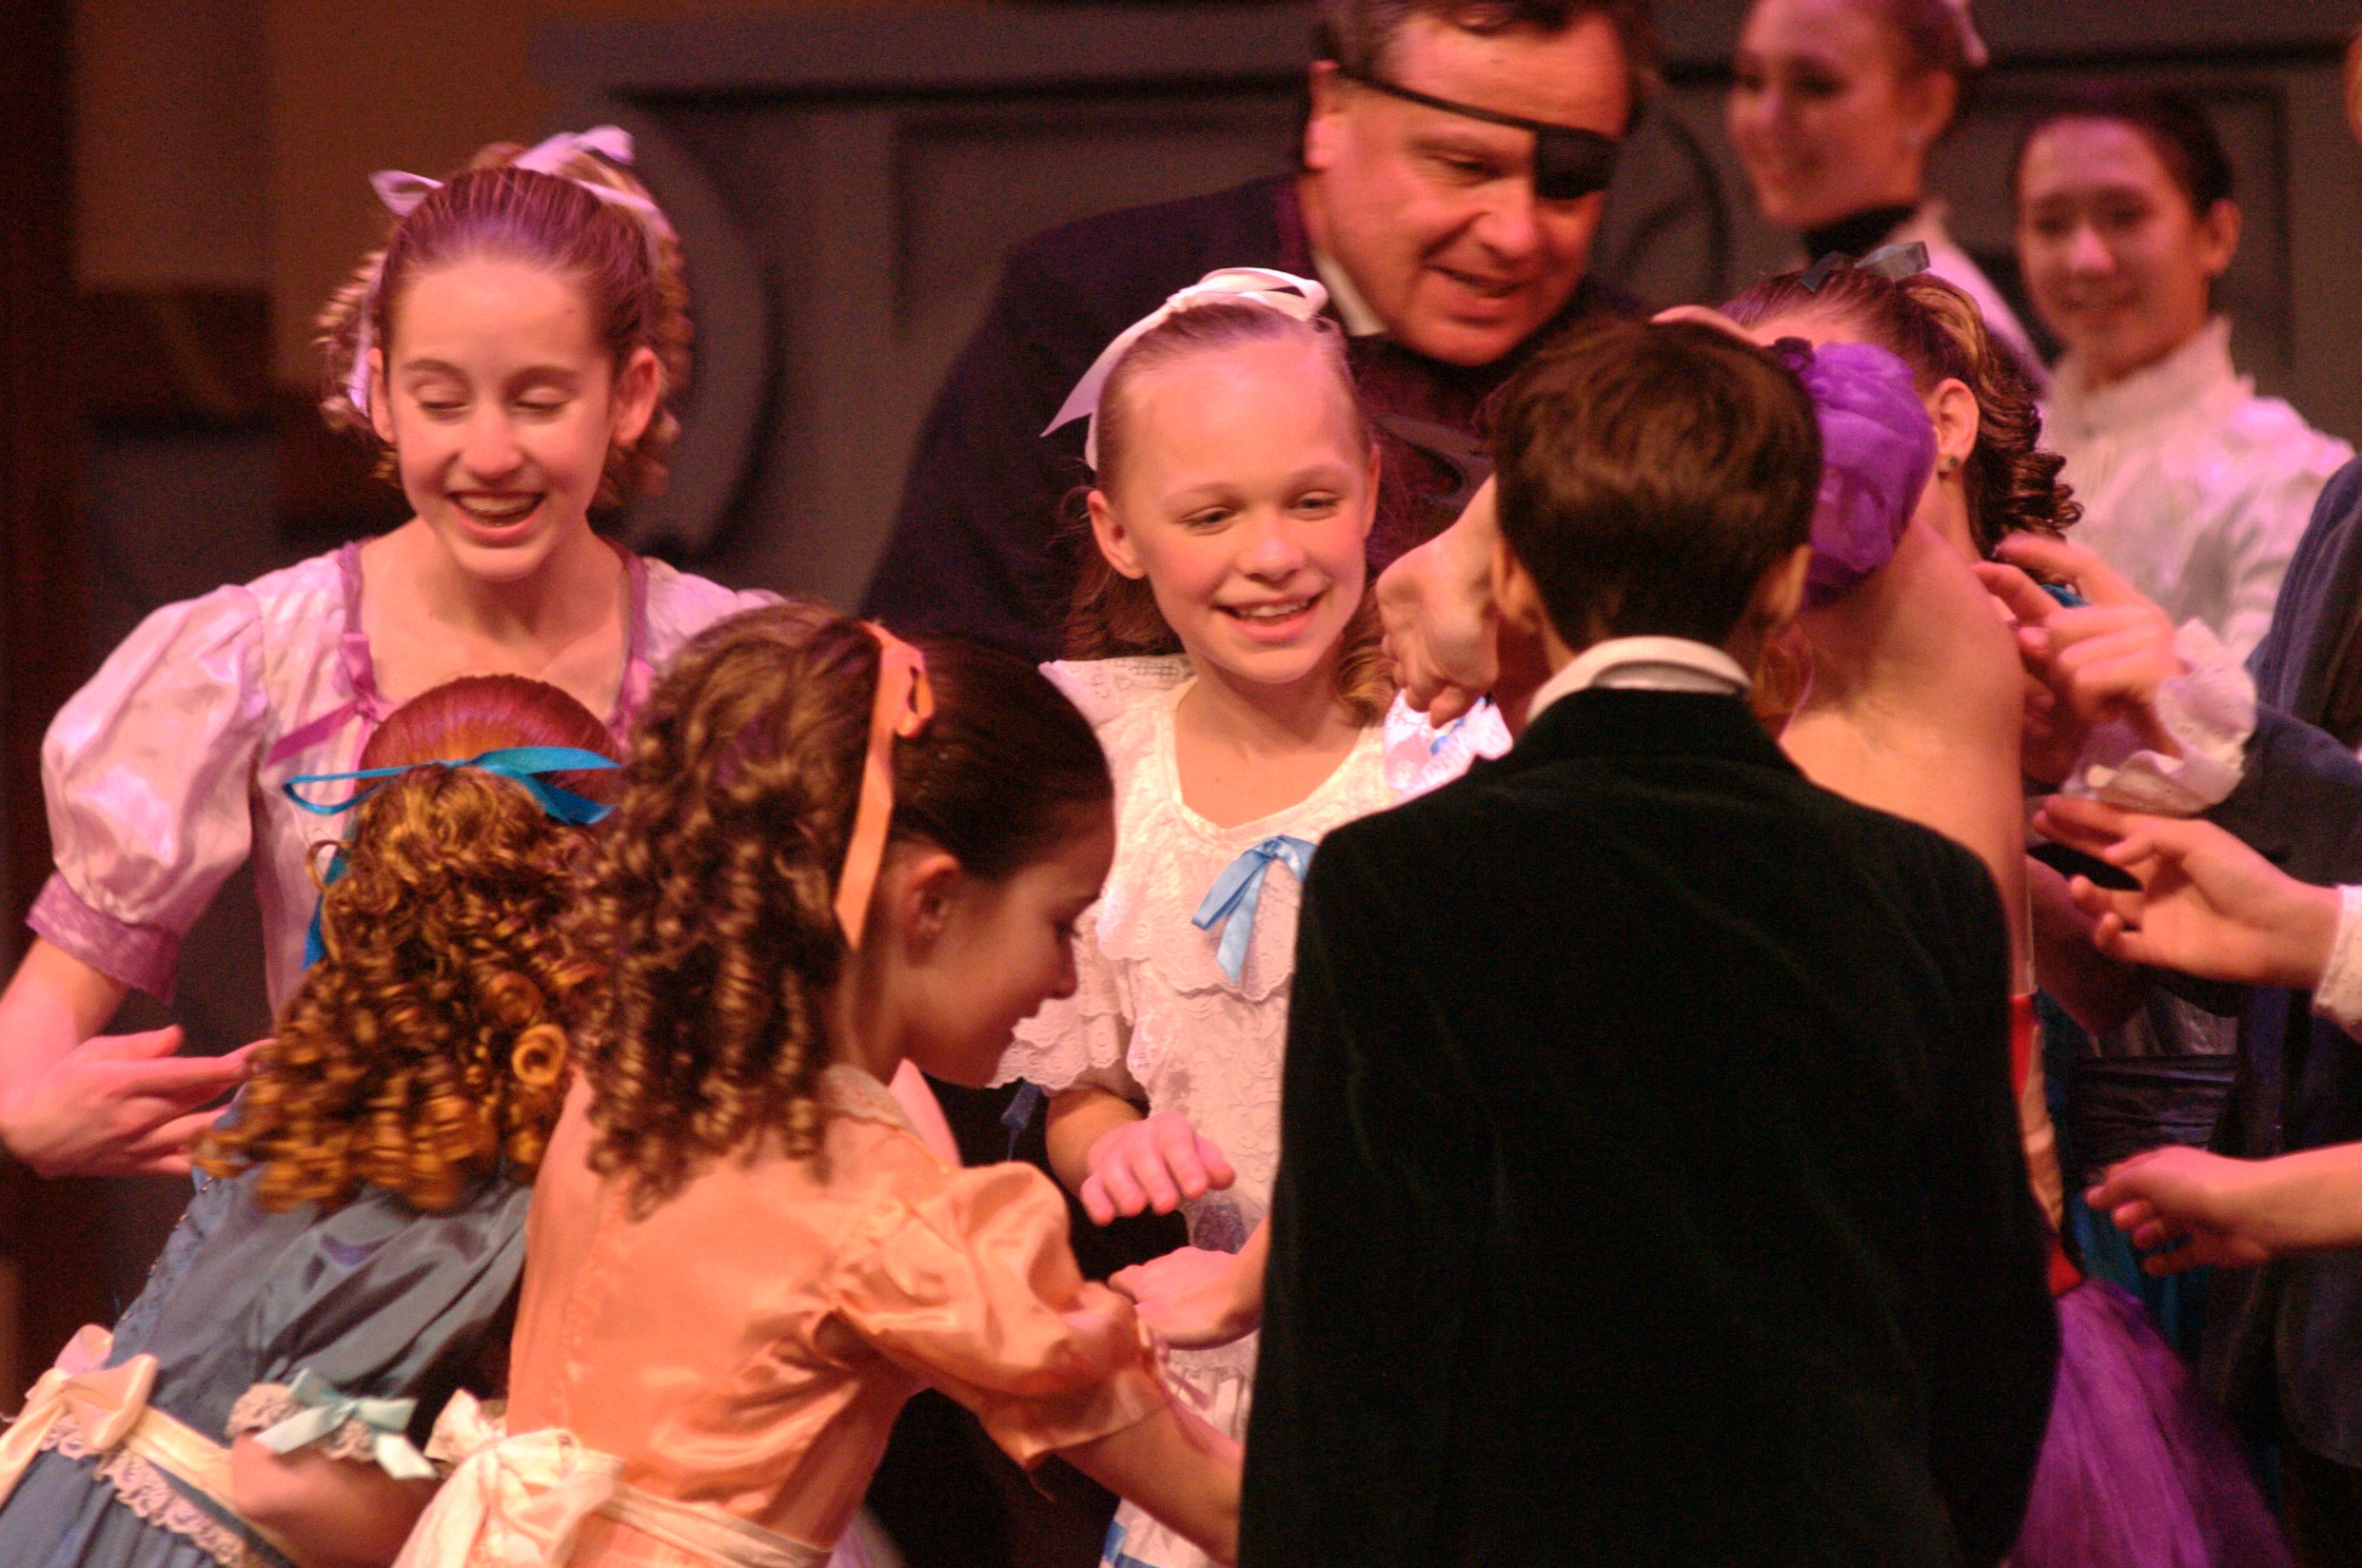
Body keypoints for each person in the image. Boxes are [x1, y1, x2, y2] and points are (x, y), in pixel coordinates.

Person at [1243, 317, 2057, 1567]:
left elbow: (1353, 1347)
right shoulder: (1921, 890)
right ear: (1783, 583)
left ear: (1516, 583)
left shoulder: (1395, 885)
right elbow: (1989, 1330)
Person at [0, 129, 779, 1181]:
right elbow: (51, 999)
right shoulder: (266, 655)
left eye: (539, 401)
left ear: (630, 394)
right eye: (442, 400)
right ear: (380, 387)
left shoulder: (723, 670)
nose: (488, 452)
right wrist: (24, 1111)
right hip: (348, 1242)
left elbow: (840, 1016)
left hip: (637, 1241)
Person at [397, 607, 1242, 1568]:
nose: (1062, 977)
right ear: (929, 901)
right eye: (1060, 923)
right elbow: (1228, 1507)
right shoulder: (887, 1217)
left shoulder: (631, 1071)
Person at [1721, 261, 2290, 1568]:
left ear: (1945, 422)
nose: (1780, 454)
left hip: (2087, 1222)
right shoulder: (1770, 659)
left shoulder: (2052, 640)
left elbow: (2144, 973)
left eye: (1806, 399)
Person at [987, 272, 1501, 1568]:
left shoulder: (1451, 760)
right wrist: (1110, 1148)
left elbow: (1472, 1115)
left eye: (1309, 501)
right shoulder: (1103, 773)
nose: (1271, 556)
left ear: (1372, 487)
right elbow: (1083, 1081)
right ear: (1117, 532)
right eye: (1210, 515)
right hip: (1219, 1396)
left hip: (1445, 1385)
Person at [0, 675, 619, 1568]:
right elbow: (292, 1471)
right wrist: (477, 1510)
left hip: (54, 1514)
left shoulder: (314, 1081)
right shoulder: (473, 1151)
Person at [861, 0, 1656, 666]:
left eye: (1569, 184)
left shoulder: (1637, 382)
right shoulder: (1092, 306)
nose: (1515, 234)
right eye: (1463, 165)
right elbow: (954, 667)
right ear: (1331, 110)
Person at [2017, 87, 2349, 662]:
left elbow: (2275, 710)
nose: (2086, 259)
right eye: (2051, 225)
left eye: (2125, 217)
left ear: (2216, 235)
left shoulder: (2288, 473)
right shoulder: (2007, 450)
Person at [1727, 0, 2045, 383]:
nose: (1767, 119)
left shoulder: (1942, 331)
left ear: (1926, 105)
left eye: (1815, 86)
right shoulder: (1820, 280)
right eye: (1751, 80)